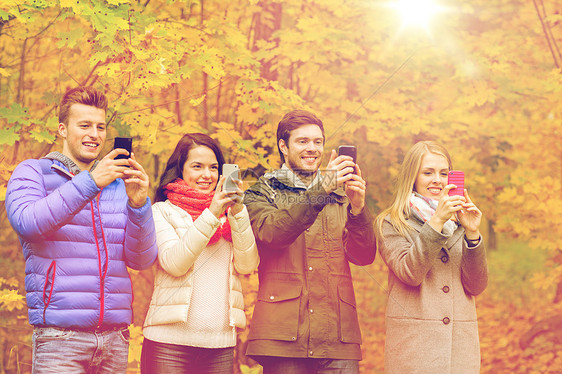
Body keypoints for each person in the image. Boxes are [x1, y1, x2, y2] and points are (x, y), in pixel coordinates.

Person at [5, 86, 158, 373]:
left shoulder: (117, 185)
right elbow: (28, 223)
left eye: (100, 127)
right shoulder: (33, 172)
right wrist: (90, 182)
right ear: (62, 129)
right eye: (84, 125)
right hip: (59, 339)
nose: (95, 134)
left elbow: (141, 260)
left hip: (115, 338)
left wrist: (139, 206)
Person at [243, 110, 376, 373]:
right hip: (283, 336)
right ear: (284, 146)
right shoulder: (261, 190)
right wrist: (322, 189)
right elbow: (274, 233)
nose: (312, 149)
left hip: (338, 335)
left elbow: (364, 256)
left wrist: (359, 209)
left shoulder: (341, 193)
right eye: (302, 141)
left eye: (318, 142)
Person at [140, 133, 259, 374]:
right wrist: (213, 212)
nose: (207, 175)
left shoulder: (231, 216)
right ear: (180, 170)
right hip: (168, 344)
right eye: (197, 166)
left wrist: (237, 211)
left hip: (220, 346)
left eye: (213, 168)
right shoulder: (162, 211)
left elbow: (247, 265)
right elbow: (175, 263)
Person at [375, 140, 488, 373]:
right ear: (413, 177)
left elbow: (476, 286)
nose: (437, 179)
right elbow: (410, 273)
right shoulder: (391, 222)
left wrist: (473, 233)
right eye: (428, 172)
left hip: (459, 352)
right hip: (415, 352)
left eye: (444, 173)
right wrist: (437, 221)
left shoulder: (459, 223)